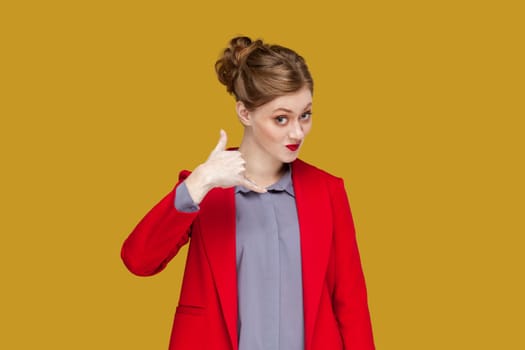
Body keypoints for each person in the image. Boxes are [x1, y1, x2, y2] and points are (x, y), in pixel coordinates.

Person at [121, 36, 375, 350]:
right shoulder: (205, 189)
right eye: (281, 118)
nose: (297, 132)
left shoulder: (328, 191)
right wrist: (198, 183)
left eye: (305, 115)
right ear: (245, 113)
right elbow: (138, 261)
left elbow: (351, 303)